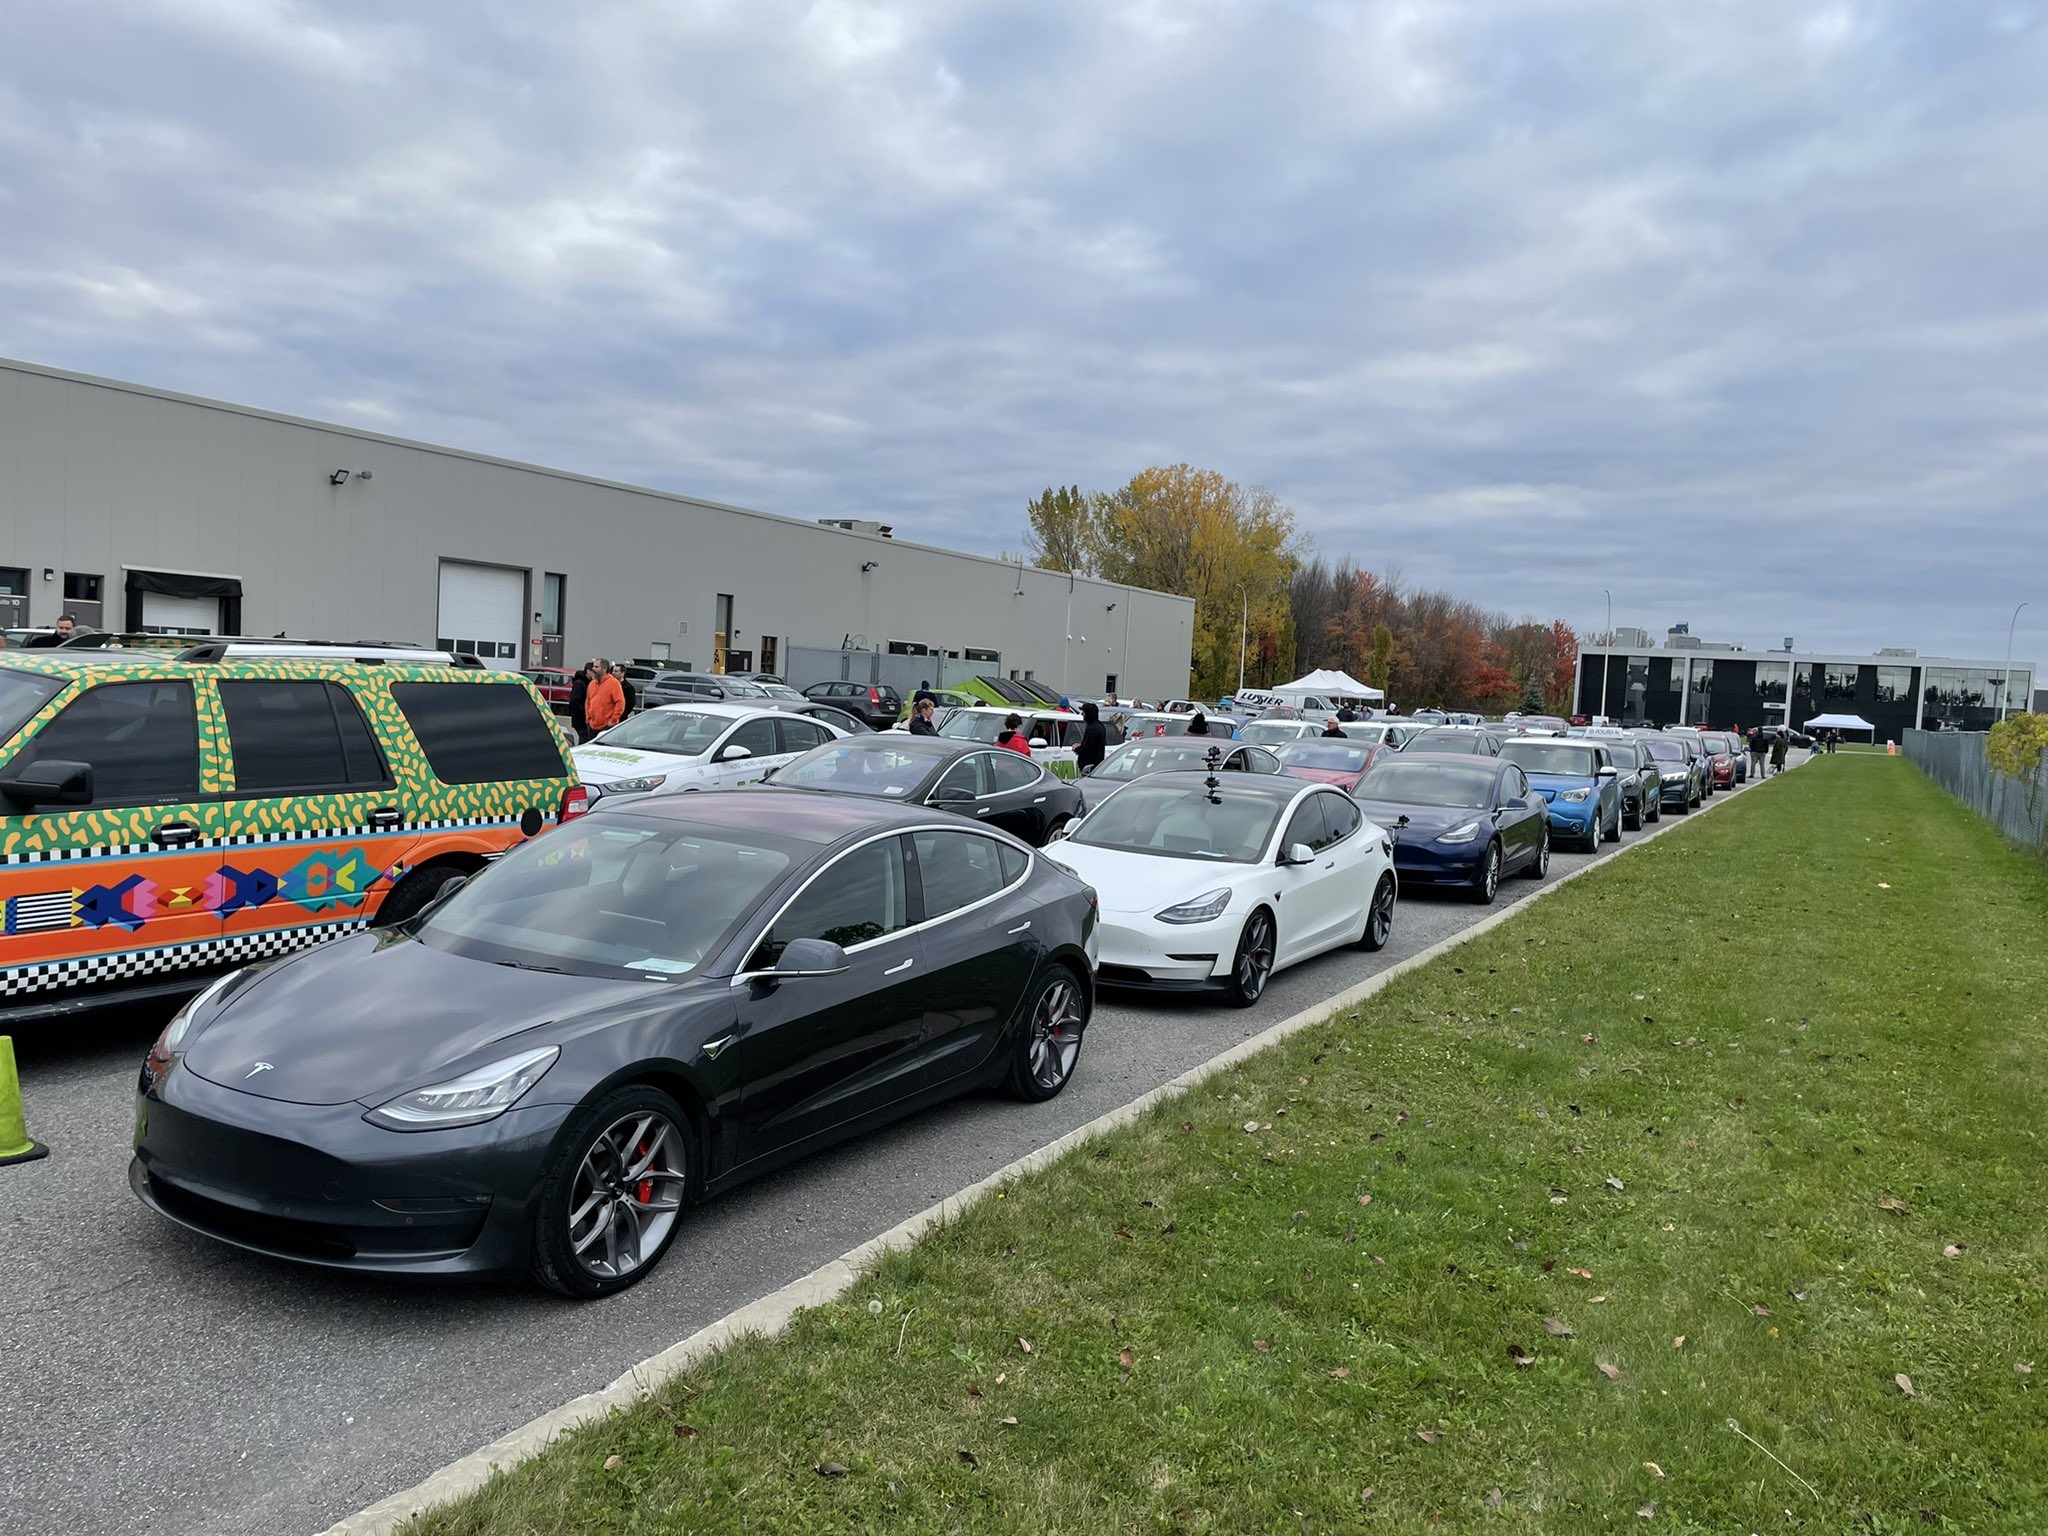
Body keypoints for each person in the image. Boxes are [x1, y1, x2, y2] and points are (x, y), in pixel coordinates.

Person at [585, 659, 626, 735]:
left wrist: (613, 720)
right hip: (592, 726)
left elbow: (620, 703)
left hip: (607, 727)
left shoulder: (614, 683)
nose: (593, 669)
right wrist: (588, 719)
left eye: (597, 667)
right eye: (593, 666)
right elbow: (588, 702)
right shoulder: (592, 684)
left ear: (604, 669)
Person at [1076, 701, 1107, 775]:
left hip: (1089, 765)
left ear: (1089, 713)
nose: (1082, 714)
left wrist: (1077, 749)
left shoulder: (1093, 728)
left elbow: (1088, 748)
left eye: (1084, 712)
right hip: (1095, 765)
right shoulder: (1099, 725)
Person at [568, 660, 594, 739]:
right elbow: (575, 701)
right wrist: (584, 712)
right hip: (580, 718)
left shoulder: (587, 683)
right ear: (588, 671)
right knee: (584, 737)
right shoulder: (580, 683)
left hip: (584, 717)